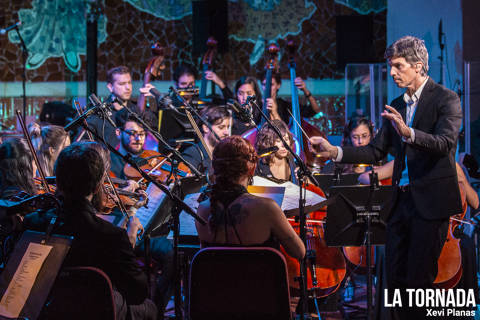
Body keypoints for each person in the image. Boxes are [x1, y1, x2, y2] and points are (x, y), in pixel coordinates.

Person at [310, 36, 463, 318]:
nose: (392, 73)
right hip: (401, 204)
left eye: (398, 66)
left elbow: (445, 143)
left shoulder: (446, 99)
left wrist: (409, 134)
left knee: (419, 282)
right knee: (394, 281)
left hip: (431, 204)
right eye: (391, 66)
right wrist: (334, 151)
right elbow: (376, 151)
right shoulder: (397, 103)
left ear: (418, 66)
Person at [54, 141, 156, 320]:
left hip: (52, 307)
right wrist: (130, 240)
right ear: (97, 186)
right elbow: (137, 293)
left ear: (57, 180)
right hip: (99, 310)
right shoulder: (110, 235)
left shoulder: (35, 223)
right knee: (150, 308)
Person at [195, 135, 305, 260]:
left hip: (218, 280)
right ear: (251, 168)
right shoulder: (267, 208)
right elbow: (299, 252)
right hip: (259, 279)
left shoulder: (202, 210)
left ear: (215, 168)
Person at [83, 66, 154, 149]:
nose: (128, 88)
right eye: (122, 84)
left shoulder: (136, 110)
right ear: (110, 87)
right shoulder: (98, 113)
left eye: (129, 83)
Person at [182, 105, 232, 172]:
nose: (226, 132)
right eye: (221, 127)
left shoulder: (225, 153)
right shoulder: (192, 155)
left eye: (228, 127)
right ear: (206, 128)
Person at [254, 119, 297, 184]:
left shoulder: (295, 163)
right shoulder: (259, 168)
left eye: (286, 139)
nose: (284, 145)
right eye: (278, 141)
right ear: (268, 143)